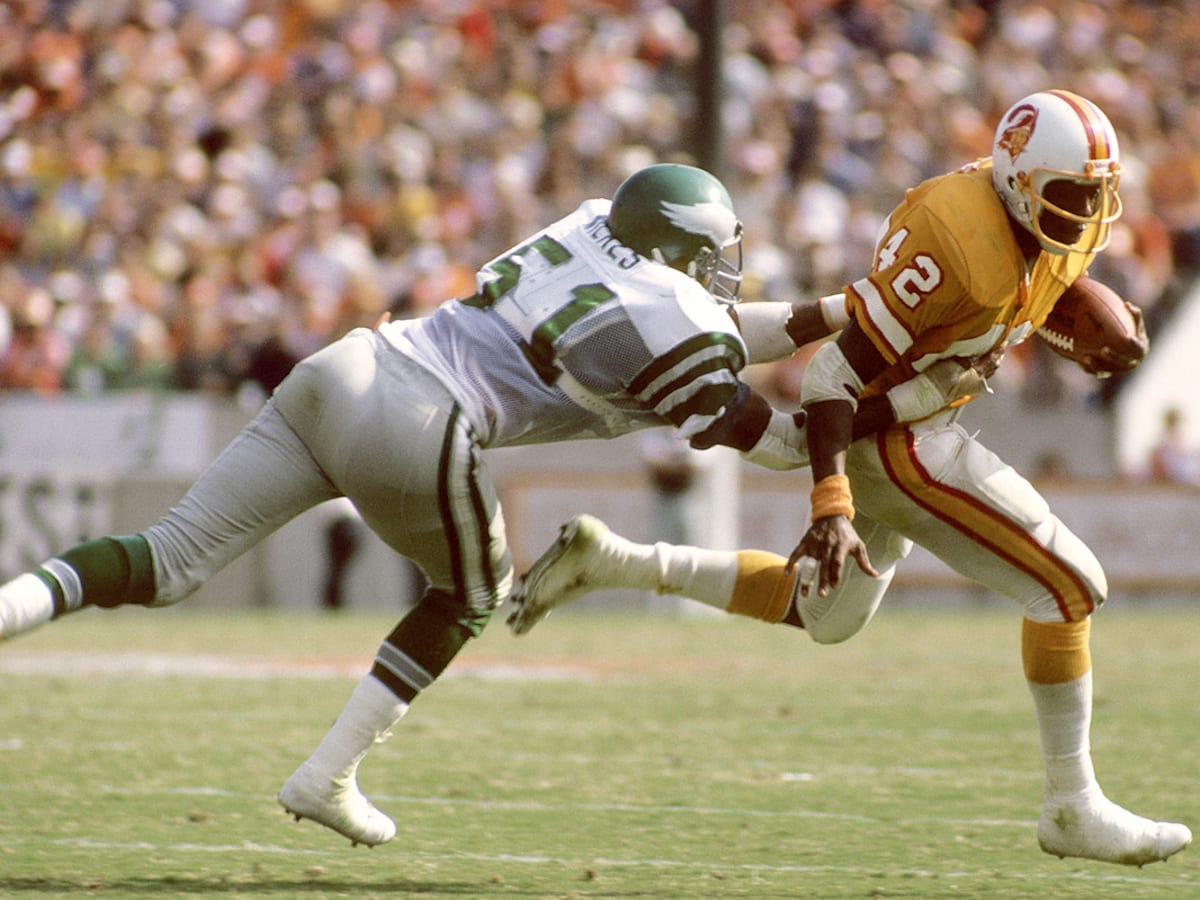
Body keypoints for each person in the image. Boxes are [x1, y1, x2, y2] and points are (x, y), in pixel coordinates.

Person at [0, 164, 982, 847]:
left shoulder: (599, 227)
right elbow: (768, 437)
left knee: (169, 559)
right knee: (471, 595)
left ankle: (10, 608)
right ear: (683, 249)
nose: (728, 270)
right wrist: (901, 403)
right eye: (716, 253)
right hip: (418, 416)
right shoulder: (670, 321)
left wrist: (852, 311)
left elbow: (722, 322)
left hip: (347, 365)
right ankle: (327, 775)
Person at [507, 92, 1192, 866]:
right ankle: (1072, 805)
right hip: (897, 435)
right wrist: (833, 498)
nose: (1092, 210)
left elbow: (1013, 286)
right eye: (1074, 193)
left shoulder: (1034, 218)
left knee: (826, 617)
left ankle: (617, 562)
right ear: (1018, 182)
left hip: (912, 414)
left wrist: (1071, 317)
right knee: (1070, 586)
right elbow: (830, 380)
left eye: (1100, 191)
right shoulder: (955, 240)